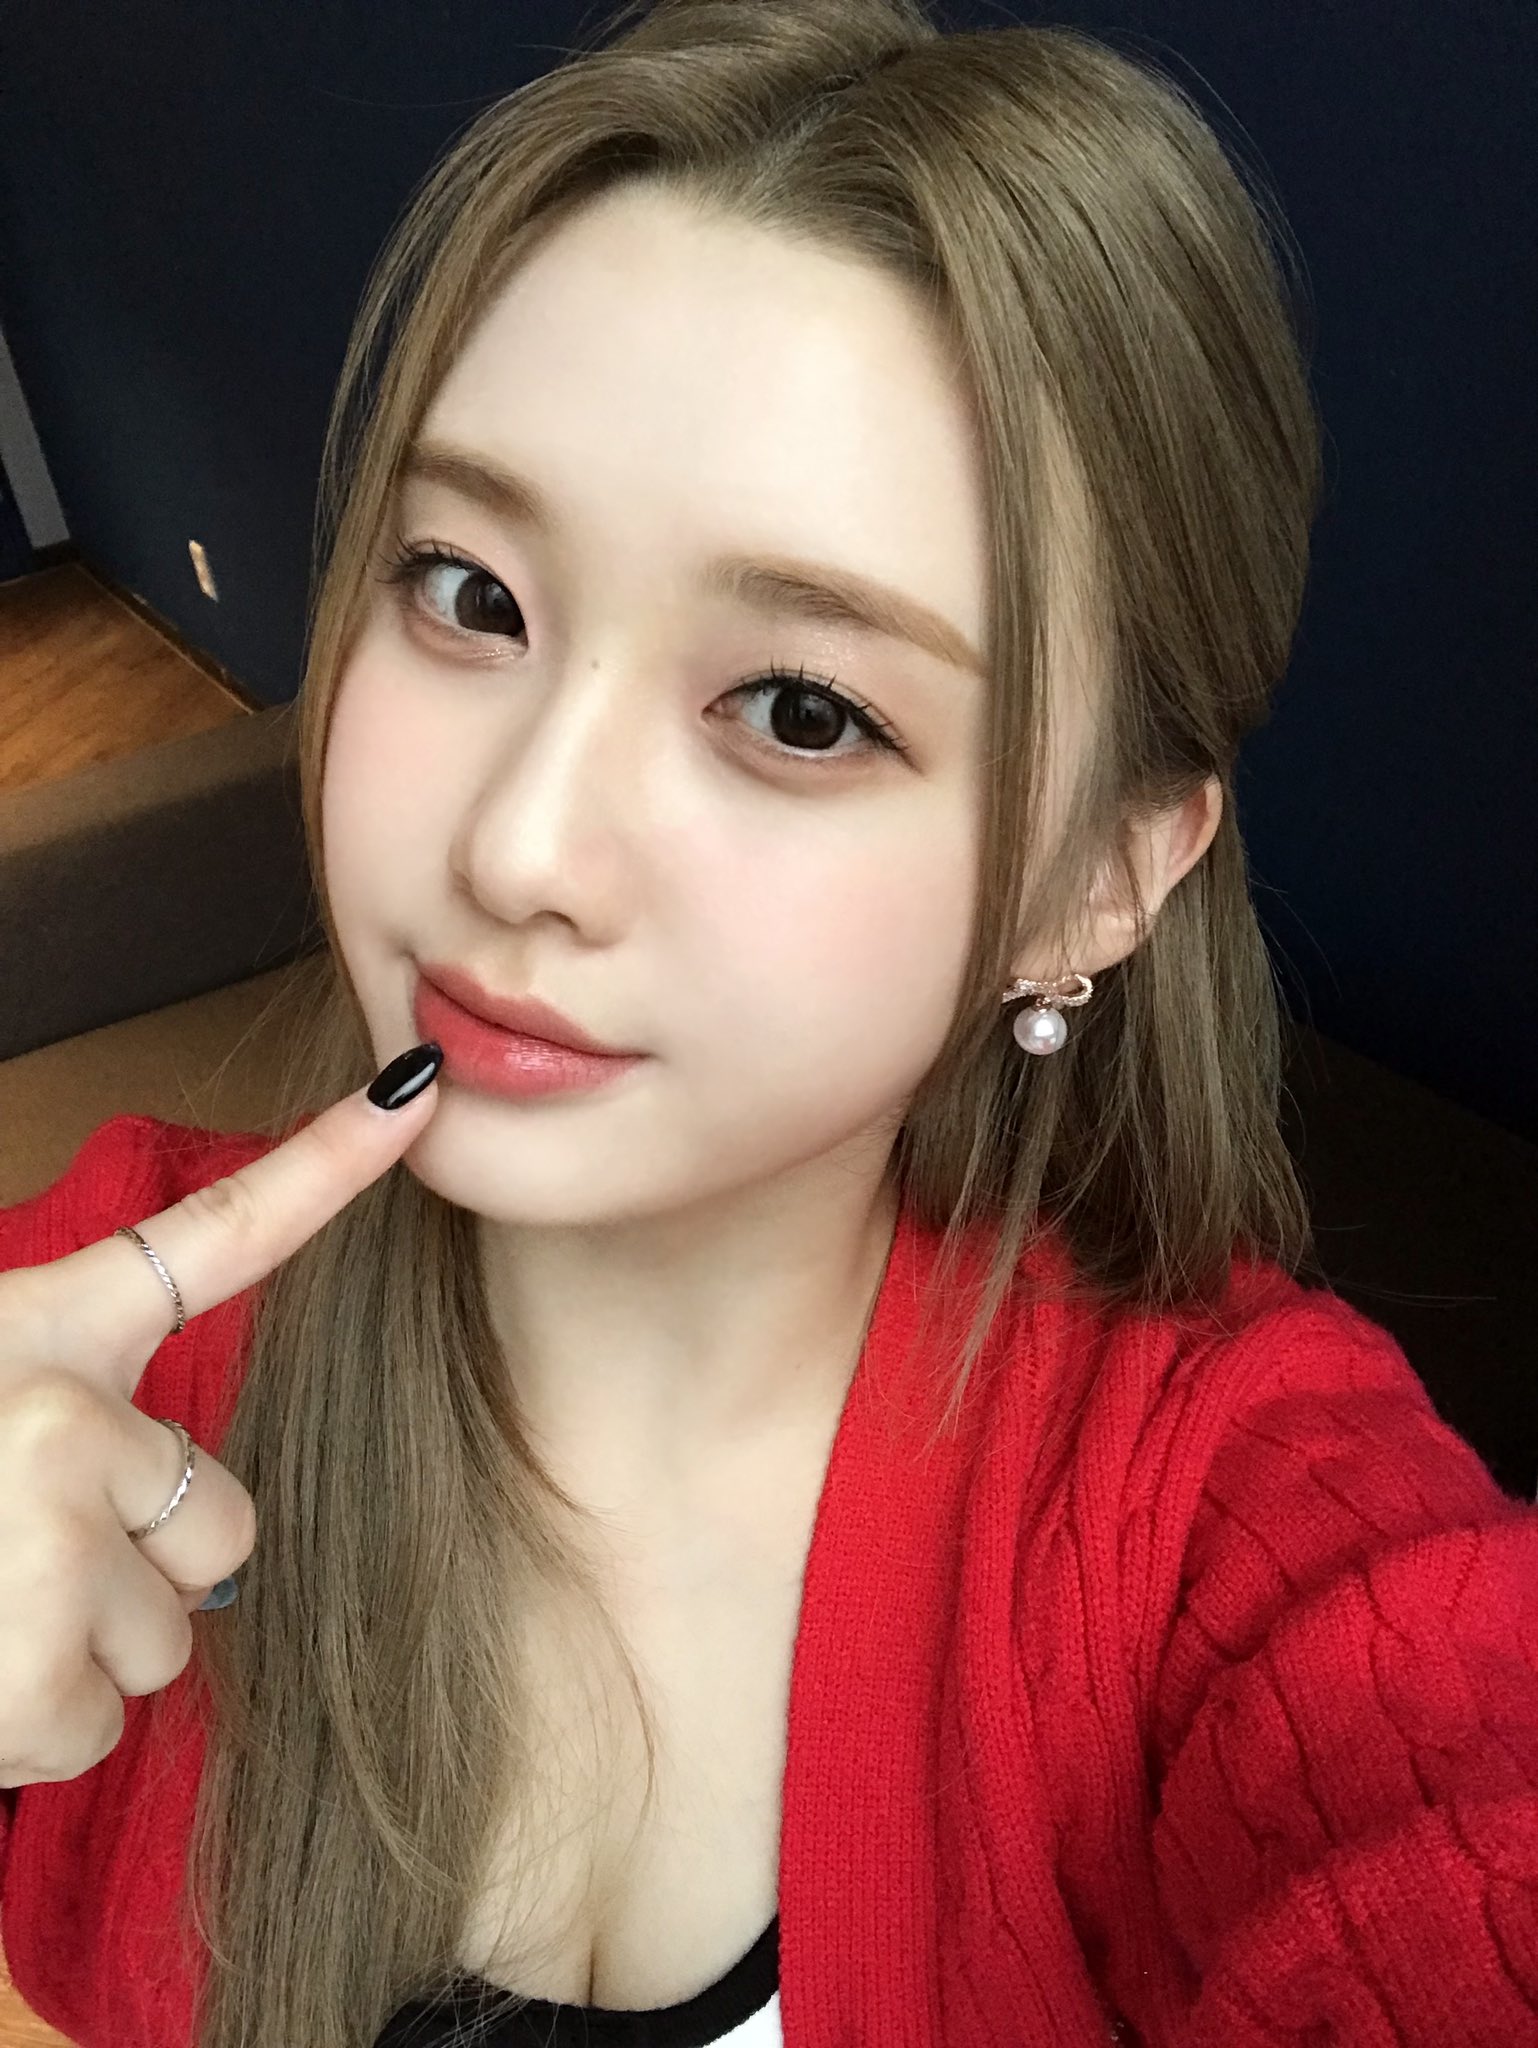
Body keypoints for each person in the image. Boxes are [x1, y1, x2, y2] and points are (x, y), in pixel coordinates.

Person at [1, 1, 1535, 2043]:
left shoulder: (1235, 1539)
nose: (518, 845)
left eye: (801, 710)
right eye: (467, 591)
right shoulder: (83, 1367)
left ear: (1099, 879)